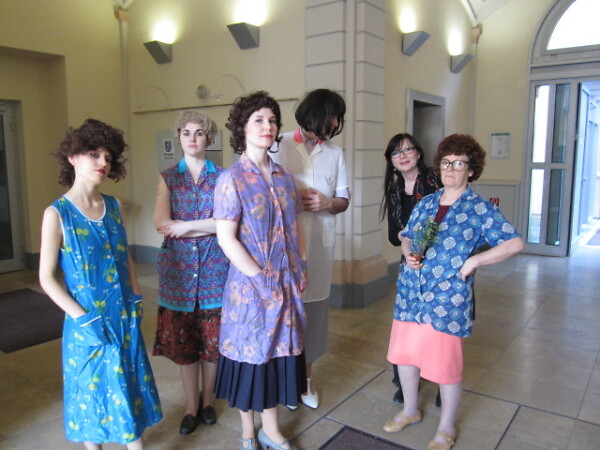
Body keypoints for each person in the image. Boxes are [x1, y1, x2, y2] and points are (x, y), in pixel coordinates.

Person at [382, 134, 524, 450]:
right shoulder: (427, 202)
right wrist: (408, 252)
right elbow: (406, 235)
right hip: (411, 293)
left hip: (447, 299)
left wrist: (475, 260)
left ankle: (446, 428)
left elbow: (514, 243)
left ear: (471, 170)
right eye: (446, 162)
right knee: (405, 356)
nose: (450, 169)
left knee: (445, 365)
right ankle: (410, 410)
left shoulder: (480, 209)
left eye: (459, 164)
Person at [38, 119, 162, 450]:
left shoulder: (114, 206)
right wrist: (83, 318)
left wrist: (136, 298)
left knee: (127, 383)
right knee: (91, 391)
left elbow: (125, 257)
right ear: (72, 157)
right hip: (86, 322)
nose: (103, 163)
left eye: (108, 157)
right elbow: (46, 278)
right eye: (94, 154)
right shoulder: (57, 215)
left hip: (123, 315)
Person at [213, 91, 307, 450]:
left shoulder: (285, 177)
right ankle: (248, 432)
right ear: (242, 127)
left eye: (272, 120)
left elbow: (295, 227)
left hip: (286, 282)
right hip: (250, 288)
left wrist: (301, 265)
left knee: (277, 356)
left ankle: (272, 430)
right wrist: (260, 279)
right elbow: (226, 238)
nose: (267, 126)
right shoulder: (231, 178)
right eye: (258, 120)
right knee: (250, 358)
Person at [271, 88, 349, 410]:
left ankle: (305, 382)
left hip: (318, 247)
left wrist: (327, 202)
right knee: (284, 316)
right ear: (315, 114)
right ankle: (285, 383)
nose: (335, 124)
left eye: (338, 119)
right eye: (332, 117)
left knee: (313, 316)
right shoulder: (278, 145)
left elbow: (343, 200)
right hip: (283, 248)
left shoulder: (335, 154)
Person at [152, 111, 229, 435]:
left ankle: (208, 400)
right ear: (179, 137)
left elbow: (227, 221)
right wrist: (206, 226)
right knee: (185, 345)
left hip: (215, 270)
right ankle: (190, 406)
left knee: (212, 342)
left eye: (199, 133)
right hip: (179, 275)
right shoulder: (168, 178)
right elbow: (162, 224)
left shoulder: (223, 177)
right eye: (186, 132)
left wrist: (185, 227)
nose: (193, 138)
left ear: (208, 138)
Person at [380, 133, 442, 405]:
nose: (402, 156)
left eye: (407, 150)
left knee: (437, 327)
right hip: (411, 263)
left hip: (440, 264)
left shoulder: (435, 181)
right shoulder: (394, 189)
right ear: (391, 161)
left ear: (418, 153)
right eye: (396, 152)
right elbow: (394, 235)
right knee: (407, 326)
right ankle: (406, 382)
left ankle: (442, 383)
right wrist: (408, 240)